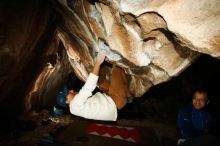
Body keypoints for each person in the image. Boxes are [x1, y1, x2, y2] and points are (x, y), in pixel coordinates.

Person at [58, 50, 130, 121]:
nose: (71, 90)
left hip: (111, 101)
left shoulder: (74, 108)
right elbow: (88, 87)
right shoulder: (75, 105)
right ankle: (115, 58)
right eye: (68, 93)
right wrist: (97, 63)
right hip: (116, 100)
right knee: (117, 67)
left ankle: (104, 59)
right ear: (66, 102)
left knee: (101, 83)